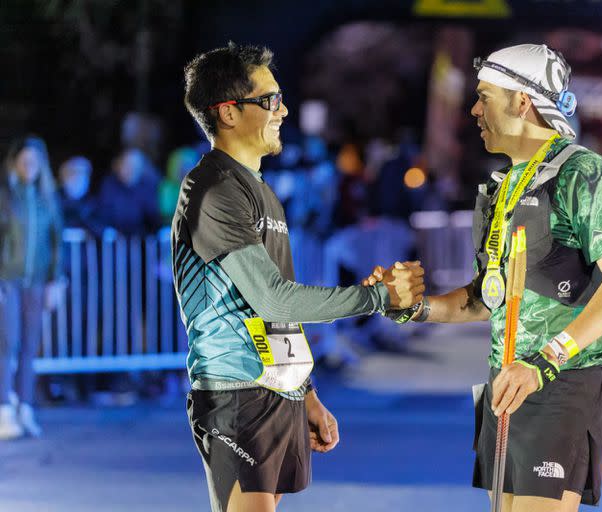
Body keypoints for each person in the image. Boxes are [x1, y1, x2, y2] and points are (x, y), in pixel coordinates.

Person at [369, 44, 602, 511]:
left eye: (484, 96)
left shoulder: (583, 172)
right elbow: (487, 298)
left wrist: (546, 361)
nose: (474, 109)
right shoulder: (504, 184)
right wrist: (414, 307)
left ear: (523, 101)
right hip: (506, 381)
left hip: (561, 381)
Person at [176, 42, 424, 512]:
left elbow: (273, 314)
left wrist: (304, 392)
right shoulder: (213, 189)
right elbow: (274, 299)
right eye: (269, 100)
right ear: (228, 113)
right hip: (235, 395)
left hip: (274, 392)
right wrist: (375, 299)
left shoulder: (260, 189)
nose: (283, 110)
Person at [0, 136, 65, 440]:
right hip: (8, 280)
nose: (29, 167)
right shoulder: (6, 197)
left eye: (34, 162)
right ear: (15, 163)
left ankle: (24, 406)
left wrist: (55, 280)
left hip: (37, 282)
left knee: (29, 345)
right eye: (25, 161)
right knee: (7, 343)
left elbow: (56, 245)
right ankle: (3, 408)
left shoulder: (47, 200)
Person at [95, 147, 162, 236]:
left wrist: (160, 230)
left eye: (135, 166)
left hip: (140, 240)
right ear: (118, 165)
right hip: (113, 240)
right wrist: (105, 230)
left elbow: (153, 217)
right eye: (127, 165)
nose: (131, 170)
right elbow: (101, 216)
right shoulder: (108, 185)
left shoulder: (148, 187)